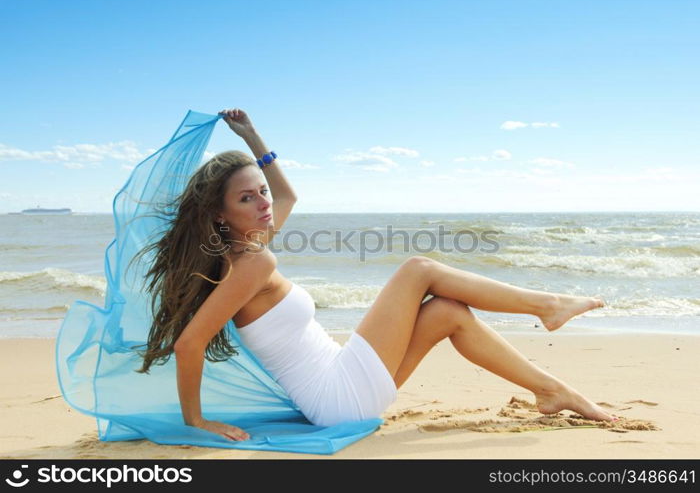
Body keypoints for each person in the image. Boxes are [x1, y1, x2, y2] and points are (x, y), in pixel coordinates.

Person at [132, 107, 618, 443]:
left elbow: (288, 198)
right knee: (419, 269)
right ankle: (546, 307)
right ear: (219, 215)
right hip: (338, 396)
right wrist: (196, 421)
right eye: (246, 198)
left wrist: (253, 139)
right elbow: (189, 344)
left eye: (260, 192)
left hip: (340, 387)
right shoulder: (253, 263)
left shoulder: (245, 250)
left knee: (448, 311)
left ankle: (552, 391)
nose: (263, 204)